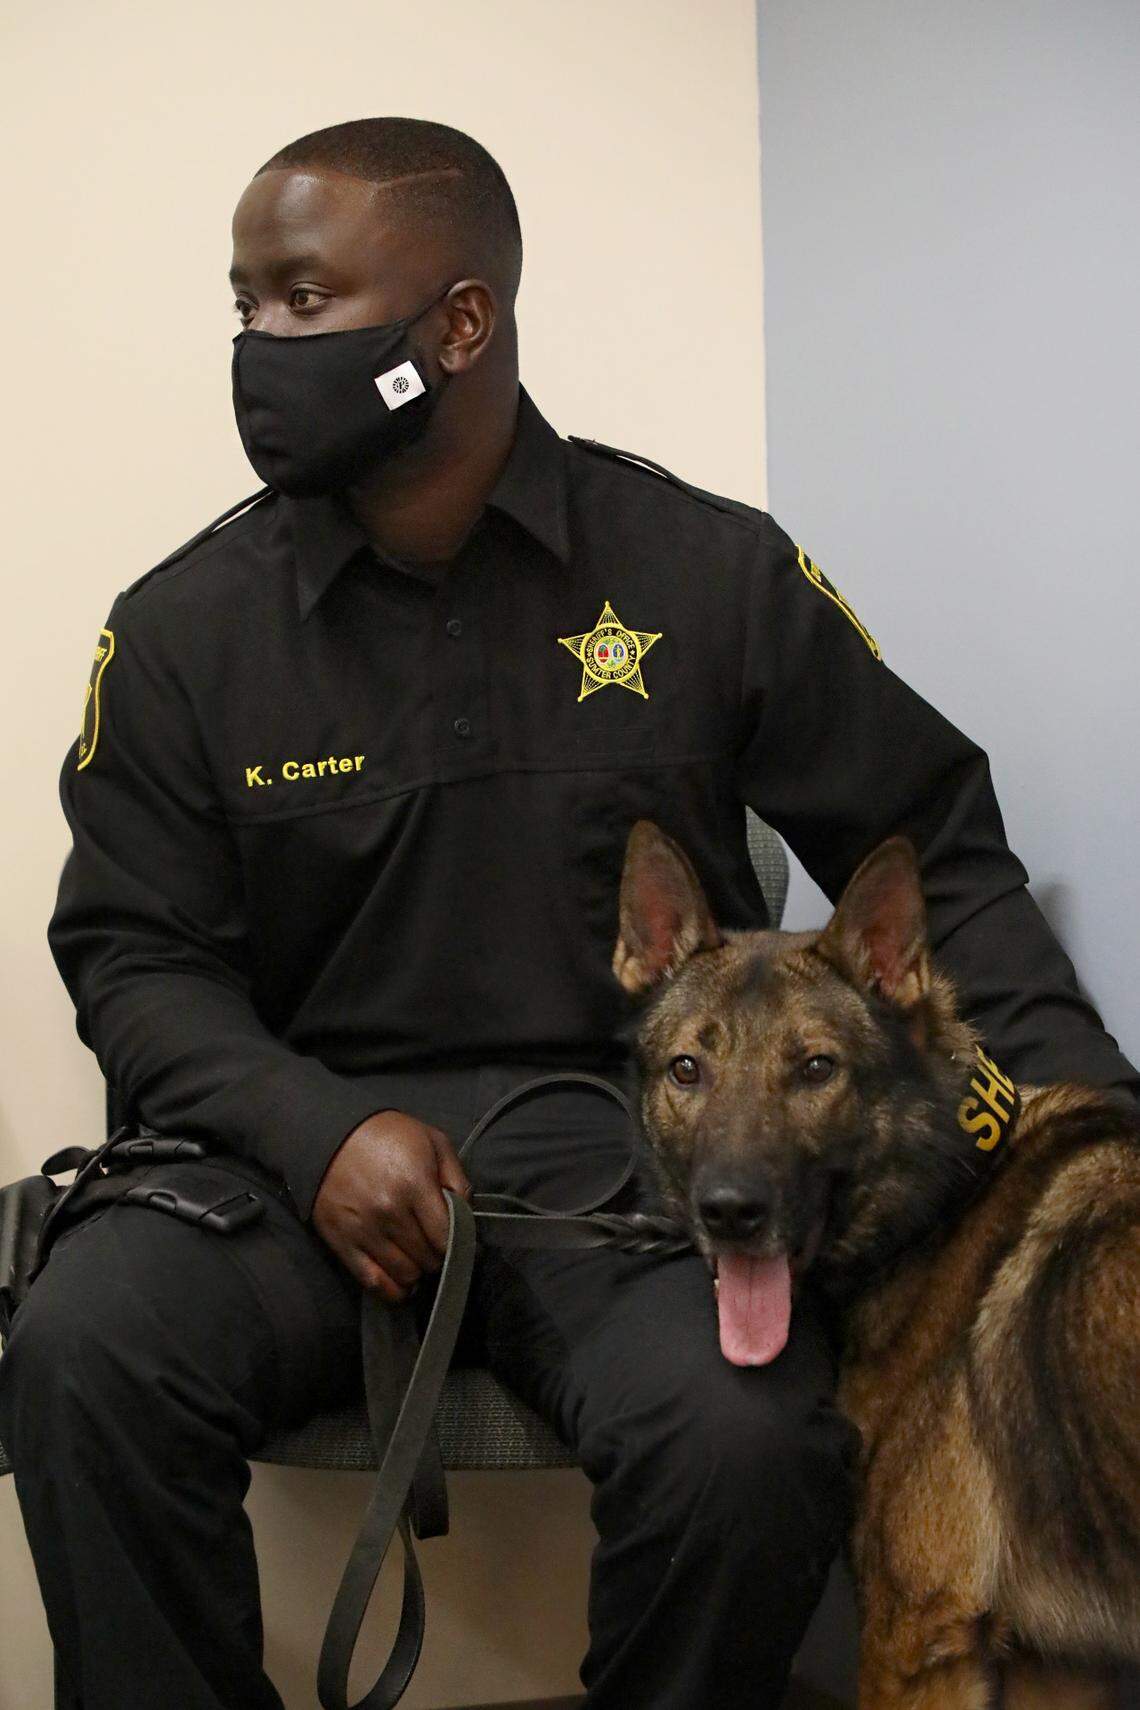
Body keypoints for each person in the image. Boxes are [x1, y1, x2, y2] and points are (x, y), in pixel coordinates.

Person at [1, 116, 1135, 1710]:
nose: (260, 345)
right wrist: (318, 1133)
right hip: (289, 1154)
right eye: (245, 303)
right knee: (78, 1357)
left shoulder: (705, 571)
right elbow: (129, 955)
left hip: (628, 1162)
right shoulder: (185, 632)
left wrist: (1092, 1116)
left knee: (748, 1442)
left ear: (457, 325)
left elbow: (930, 840)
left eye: (304, 302)